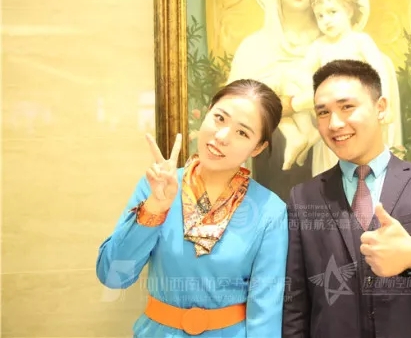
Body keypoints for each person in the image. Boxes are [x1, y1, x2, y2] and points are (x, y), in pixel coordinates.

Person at [283, 60, 411, 338]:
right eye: (323, 112)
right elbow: (295, 301)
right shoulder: (303, 198)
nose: (335, 123)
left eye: (347, 107)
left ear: (381, 107)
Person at [96, 79, 288, 337]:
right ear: (207, 112)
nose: (222, 136)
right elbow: (112, 276)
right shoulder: (157, 186)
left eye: (242, 133)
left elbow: (265, 312)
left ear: (258, 147)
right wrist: (156, 207)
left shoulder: (270, 211)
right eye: (219, 118)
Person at [225, 0, 343, 196]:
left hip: (329, 160)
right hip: (270, 171)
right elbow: (235, 109)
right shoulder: (253, 47)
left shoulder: (334, 44)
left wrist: (292, 104)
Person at [280, 0, 403, 174]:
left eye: (332, 12)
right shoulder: (319, 46)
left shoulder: (360, 41)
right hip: (330, 115)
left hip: (354, 111)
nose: (326, 20)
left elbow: (380, 71)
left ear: (349, 11)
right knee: (288, 79)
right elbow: (301, 73)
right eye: (320, 16)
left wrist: (385, 103)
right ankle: (304, 133)